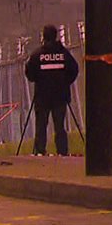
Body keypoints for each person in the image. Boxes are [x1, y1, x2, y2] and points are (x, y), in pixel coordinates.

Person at [24, 24, 80, 156]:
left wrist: (38, 80)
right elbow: (74, 69)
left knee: (41, 125)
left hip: (42, 96)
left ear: (44, 37)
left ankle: (40, 150)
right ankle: (62, 151)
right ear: (56, 36)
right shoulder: (63, 54)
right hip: (60, 96)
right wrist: (65, 82)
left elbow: (29, 73)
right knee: (60, 126)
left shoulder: (37, 55)